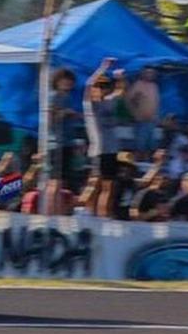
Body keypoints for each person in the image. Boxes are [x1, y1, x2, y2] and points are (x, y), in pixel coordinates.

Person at [83, 58, 122, 217]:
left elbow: (120, 92)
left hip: (111, 150)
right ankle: (88, 212)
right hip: (99, 149)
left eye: (105, 86)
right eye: (99, 86)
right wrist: (103, 67)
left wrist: (120, 78)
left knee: (109, 186)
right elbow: (87, 85)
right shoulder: (90, 105)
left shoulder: (108, 102)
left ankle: (103, 214)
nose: (101, 89)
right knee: (95, 183)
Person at [46, 68, 79, 215]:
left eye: (70, 81)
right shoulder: (54, 97)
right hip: (56, 143)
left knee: (63, 181)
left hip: (67, 142)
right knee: (55, 181)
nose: (67, 83)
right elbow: (50, 119)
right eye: (64, 80)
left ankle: (58, 210)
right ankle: (51, 211)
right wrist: (65, 113)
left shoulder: (69, 98)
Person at [125, 67, 160, 152]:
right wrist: (134, 112)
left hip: (152, 120)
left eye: (152, 73)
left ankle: (149, 162)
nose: (150, 75)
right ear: (143, 73)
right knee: (140, 144)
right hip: (140, 120)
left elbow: (156, 102)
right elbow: (128, 100)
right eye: (148, 72)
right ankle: (138, 162)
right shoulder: (138, 84)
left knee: (151, 144)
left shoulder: (154, 86)